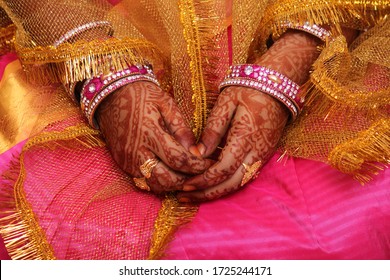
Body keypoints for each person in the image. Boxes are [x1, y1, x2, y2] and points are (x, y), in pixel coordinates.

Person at [0, 0, 389, 259]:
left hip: (331, 21)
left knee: (360, 201)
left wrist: (300, 47)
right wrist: (100, 71)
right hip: (73, 20)